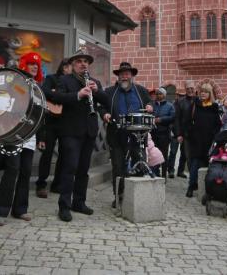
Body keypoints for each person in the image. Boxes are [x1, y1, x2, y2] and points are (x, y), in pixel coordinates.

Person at [45, 49, 109, 222]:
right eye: (79, 61)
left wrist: (97, 92)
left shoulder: (94, 82)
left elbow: (106, 101)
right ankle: (64, 206)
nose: (83, 64)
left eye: (86, 61)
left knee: (83, 170)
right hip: (70, 131)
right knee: (69, 168)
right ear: (73, 65)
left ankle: (79, 203)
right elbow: (57, 98)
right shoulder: (65, 80)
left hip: (89, 131)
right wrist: (78, 95)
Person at [0, 52, 42, 226]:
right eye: (31, 63)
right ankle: (0, 211)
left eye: (37, 65)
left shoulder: (38, 87)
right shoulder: (14, 81)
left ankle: (20, 209)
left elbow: (40, 114)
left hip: (30, 135)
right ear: (24, 64)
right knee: (12, 169)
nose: (35, 67)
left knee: (26, 171)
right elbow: (1, 100)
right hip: (13, 133)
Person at [101, 62, 153, 208]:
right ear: (118, 76)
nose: (124, 76)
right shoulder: (110, 92)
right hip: (116, 134)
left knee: (139, 165)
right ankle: (119, 196)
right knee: (118, 167)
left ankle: (136, 197)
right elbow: (102, 107)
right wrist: (104, 113)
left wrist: (150, 106)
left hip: (138, 136)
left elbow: (150, 103)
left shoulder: (141, 90)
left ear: (131, 76)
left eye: (127, 74)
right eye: (122, 74)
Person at [35, 58, 71, 198]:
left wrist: (60, 95)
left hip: (66, 121)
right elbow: (44, 92)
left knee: (64, 154)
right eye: (68, 66)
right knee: (47, 153)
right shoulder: (51, 78)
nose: (70, 69)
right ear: (64, 67)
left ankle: (57, 184)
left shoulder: (73, 82)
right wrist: (59, 95)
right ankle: (41, 185)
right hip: (50, 121)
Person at [180, 83, 222, 197]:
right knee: (194, 164)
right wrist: (190, 133)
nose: (203, 93)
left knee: (209, 164)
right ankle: (191, 186)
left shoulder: (214, 107)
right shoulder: (195, 105)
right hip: (196, 140)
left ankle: (208, 188)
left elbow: (218, 124)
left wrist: (214, 136)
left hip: (209, 141)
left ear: (210, 94)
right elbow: (187, 121)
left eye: (206, 92)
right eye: (202, 91)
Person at [170, 82, 196, 178]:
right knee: (174, 152)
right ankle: (171, 170)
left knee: (184, 153)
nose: (190, 90)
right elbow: (176, 118)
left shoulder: (197, 101)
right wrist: (178, 134)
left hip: (189, 132)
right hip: (178, 131)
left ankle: (180, 171)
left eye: (192, 88)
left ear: (195, 89)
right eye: (188, 88)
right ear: (185, 89)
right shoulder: (180, 101)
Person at [151, 87, 175, 177]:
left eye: (160, 94)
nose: (158, 95)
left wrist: (161, 119)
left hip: (164, 134)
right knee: (154, 155)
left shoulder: (170, 106)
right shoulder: (153, 105)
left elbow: (172, 117)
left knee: (164, 155)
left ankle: (164, 175)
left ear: (164, 95)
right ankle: (155, 174)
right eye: (157, 94)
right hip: (154, 134)